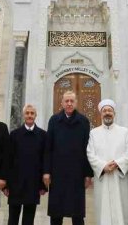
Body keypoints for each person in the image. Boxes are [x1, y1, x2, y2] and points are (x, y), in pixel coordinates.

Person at [43, 91, 93, 225]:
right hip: (57, 173)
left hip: (77, 173)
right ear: (62, 103)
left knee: (77, 214)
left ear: (76, 103)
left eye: (72, 101)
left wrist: (88, 174)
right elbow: (48, 148)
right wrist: (46, 171)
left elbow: (88, 149)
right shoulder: (54, 120)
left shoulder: (83, 121)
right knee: (56, 213)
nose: (69, 103)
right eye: (67, 101)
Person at [86, 100, 128, 225]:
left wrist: (117, 163)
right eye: (104, 111)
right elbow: (90, 153)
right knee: (103, 211)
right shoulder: (93, 133)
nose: (107, 113)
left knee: (121, 210)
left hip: (119, 177)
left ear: (114, 113)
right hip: (103, 177)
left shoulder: (124, 132)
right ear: (101, 114)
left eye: (110, 111)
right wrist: (103, 166)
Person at [8, 104, 48, 225]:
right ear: (23, 115)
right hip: (16, 183)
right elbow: (8, 160)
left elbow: (45, 160)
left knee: (29, 219)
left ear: (36, 115)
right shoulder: (14, 135)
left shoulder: (43, 135)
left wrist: (43, 185)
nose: (29, 115)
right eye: (27, 113)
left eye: (32, 113)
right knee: (13, 218)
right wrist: (7, 185)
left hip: (33, 183)